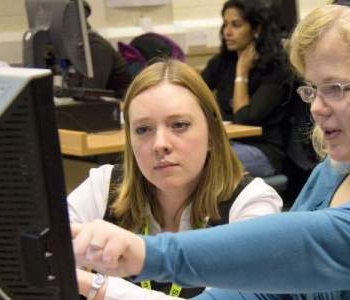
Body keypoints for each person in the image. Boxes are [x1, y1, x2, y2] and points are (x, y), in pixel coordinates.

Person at [71, 0, 350, 299]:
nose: (318, 108)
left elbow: (316, 247)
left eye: (336, 88)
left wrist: (151, 254)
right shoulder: (343, 167)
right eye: (312, 90)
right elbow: (271, 285)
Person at [67, 59, 282, 300]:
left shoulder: (252, 202)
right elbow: (40, 256)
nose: (160, 144)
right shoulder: (104, 184)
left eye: (179, 125)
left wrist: (97, 286)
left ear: (212, 133)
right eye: (143, 129)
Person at [201, 0, 291, 177]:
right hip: (227, 143)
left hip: (263, 150)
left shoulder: (276, 68)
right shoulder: (222, 62)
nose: (227, 32)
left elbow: (244, 118)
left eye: (236, 25)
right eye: (225, 24)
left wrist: (241, 72)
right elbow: (192, 92)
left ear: (256, 29)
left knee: (203, 161)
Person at [66, 0, 132, 98]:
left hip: (115, 108)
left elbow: (90, 94)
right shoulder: (72, 47)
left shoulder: (95, 47)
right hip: (96, 108)